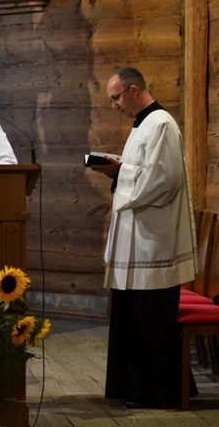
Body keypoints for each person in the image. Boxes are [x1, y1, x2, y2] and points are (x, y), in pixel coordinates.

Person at [88, 66, 197, 408]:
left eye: (116, 97)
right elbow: (144, 173)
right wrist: (121, 169)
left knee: (151, 320)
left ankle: (156, 392)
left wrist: (120, 172)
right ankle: (131, 388)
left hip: (154, 242)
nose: (114, 106)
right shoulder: (142, 125)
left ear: (134, 90)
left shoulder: (161, 123)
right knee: (133, 317)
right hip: (140, 240)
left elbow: (164, 181)